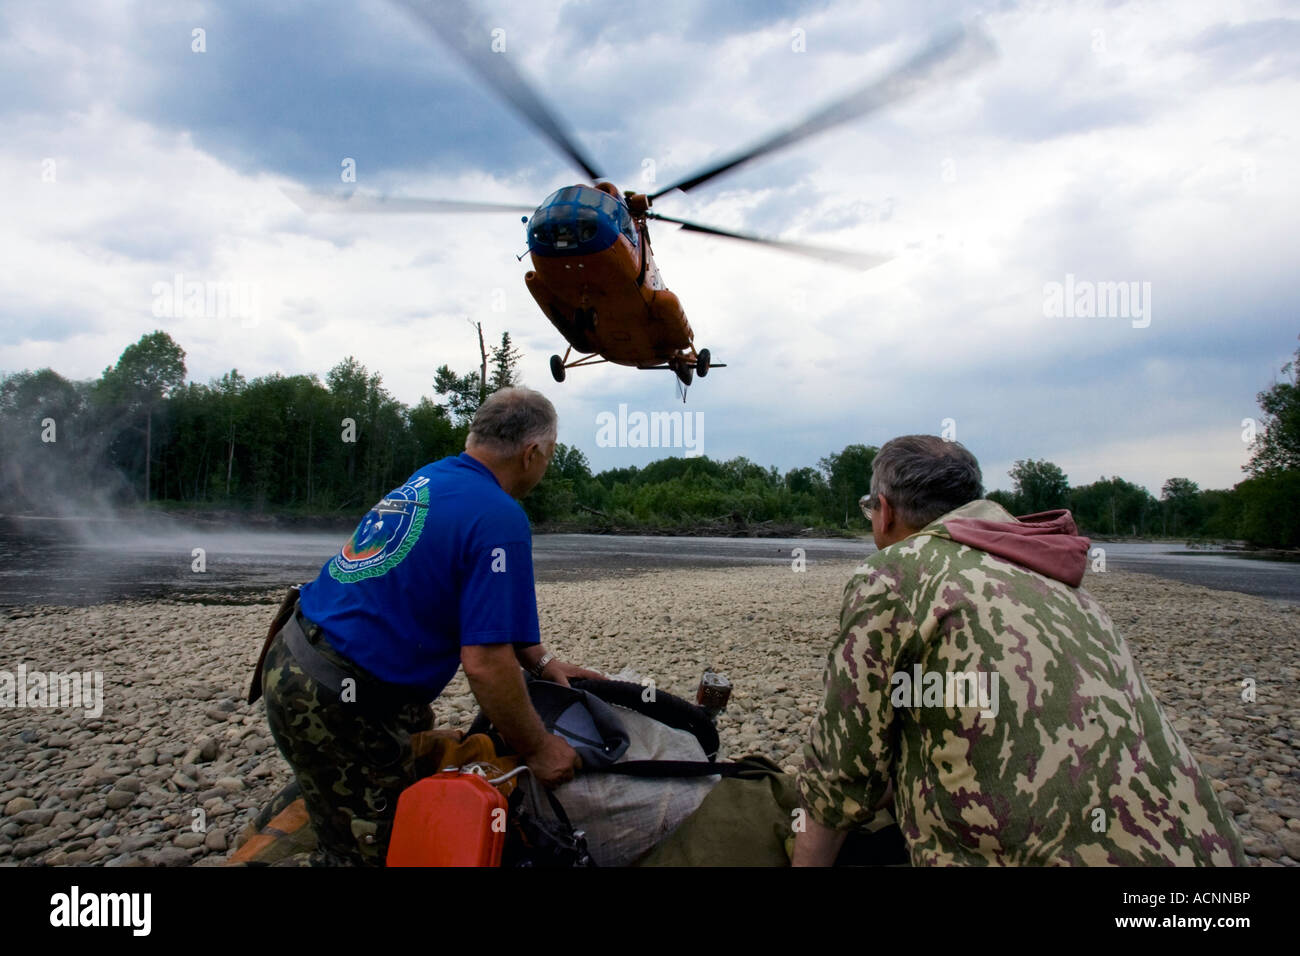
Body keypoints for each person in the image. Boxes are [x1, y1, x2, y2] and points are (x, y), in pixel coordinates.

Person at [793, 435, 1246, 866]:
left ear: (884, 511)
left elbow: (840, 779)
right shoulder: (1044, 569)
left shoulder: (893, 575)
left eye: (869, 507)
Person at [261, 386, 600, 866]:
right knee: (375, 853)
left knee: (341, 796)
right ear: (533, 453)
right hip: (337, 698)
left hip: (290, 656)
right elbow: (484, 664)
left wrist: (542, 662)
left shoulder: (431, 479)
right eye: (549, 456)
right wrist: (541, 749)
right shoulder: (500, 517)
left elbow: (483, 610)